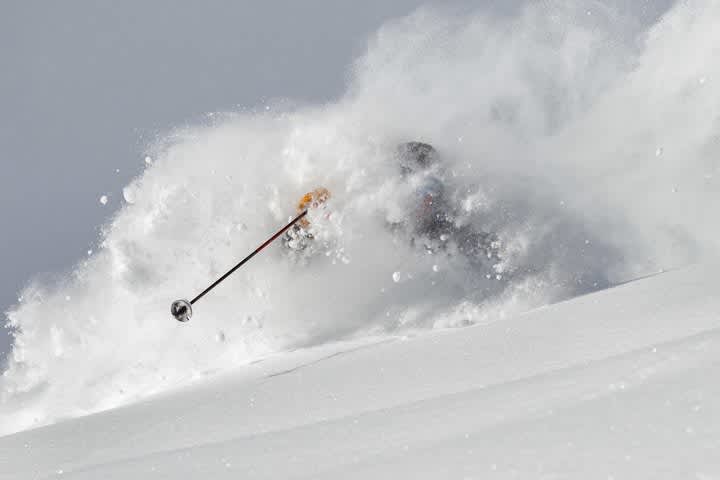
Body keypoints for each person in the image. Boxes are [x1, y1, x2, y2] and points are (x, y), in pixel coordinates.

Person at [393, 141, 501, 264]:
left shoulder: (451, 226)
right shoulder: (395, 228)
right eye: (423, 191)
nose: (429, 199)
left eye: (435, 190)